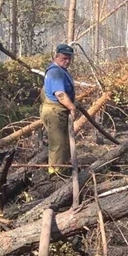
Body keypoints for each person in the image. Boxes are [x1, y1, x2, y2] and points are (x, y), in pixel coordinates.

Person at [40, 43, 77, 176]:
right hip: (55, 112)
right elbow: (60, 94)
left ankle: (64, 168)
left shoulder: (59, 70)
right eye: (64, 58)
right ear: (56, 56)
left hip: (58, 111)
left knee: (63, 142)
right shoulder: (55, 72)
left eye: (69, 58)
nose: (67, 61)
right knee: (58, 144)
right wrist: (72, 107)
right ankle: (56, 174)